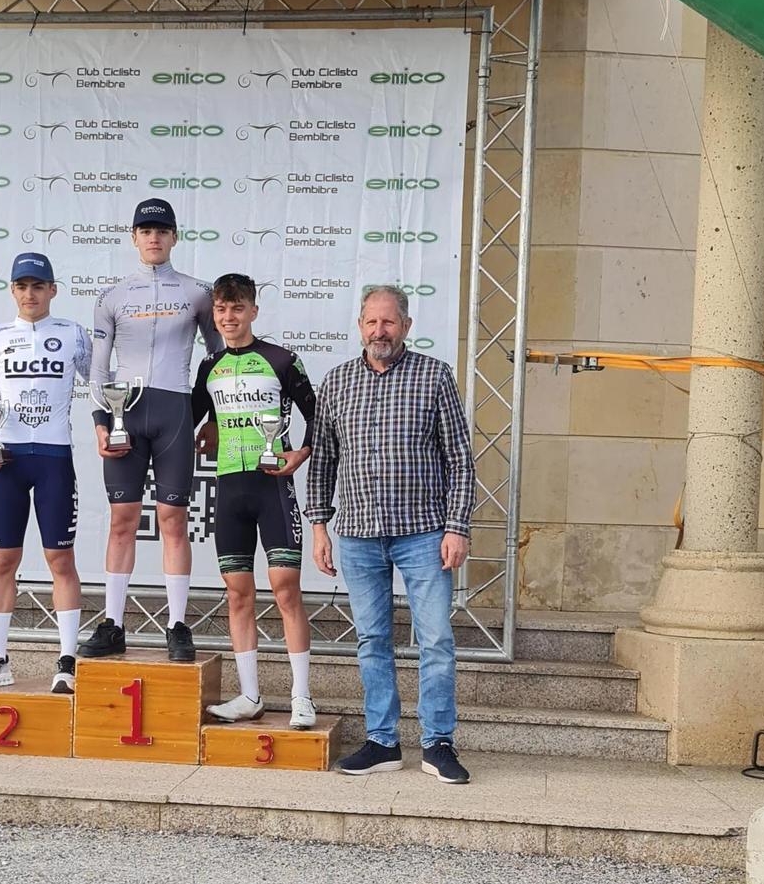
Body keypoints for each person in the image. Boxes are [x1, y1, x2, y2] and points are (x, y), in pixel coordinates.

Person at [306, 283, 476, 783]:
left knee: (437, 639)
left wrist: (456, 527)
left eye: (389, 322)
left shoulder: (435, 377)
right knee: (372, 639)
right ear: (359, 326)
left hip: (424, 533)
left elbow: (460, 460)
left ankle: (438, 743)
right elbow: (323, 461)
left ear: (405, 326)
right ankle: (382, 742)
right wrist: (319, 526)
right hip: (357, 534)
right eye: (371, 322)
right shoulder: (336, 383)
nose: (380, 331)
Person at [80, 197, 221, 662]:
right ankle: (113, 623)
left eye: (162, 230)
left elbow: (218, 360)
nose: (154, 238)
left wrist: (212, 416)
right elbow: (99, 369)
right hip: (127, 415)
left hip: (175, 414)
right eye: (145, 230)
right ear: (134, 237)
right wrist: (102, 422)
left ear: (174, 237)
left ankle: (178, 625)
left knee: (173, 520)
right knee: (122, 521)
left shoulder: (199, 292)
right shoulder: (112, 296)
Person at [191, 273, 319, 729]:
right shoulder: (209, 368)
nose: (229, 318)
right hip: (230, 489)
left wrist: (300, 454)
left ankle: (302, 696)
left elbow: (317, 416)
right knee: (238, 594)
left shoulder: (282, 360)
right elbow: (190, 420)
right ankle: (250, 695)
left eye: (238, 308)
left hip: (272, 487)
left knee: (286, 590)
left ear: (253, 311)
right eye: (222, 310)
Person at [0, 252, 92, 694]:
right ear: (13, 291)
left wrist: (112, 423)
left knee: (61, 560)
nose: (30, 294)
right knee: (3, 560)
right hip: (8, 458)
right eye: (22, 286)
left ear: (53, 290)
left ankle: (68, 662)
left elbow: (99, 383)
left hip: (54, 458)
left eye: (38, 286)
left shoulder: (73, 334)